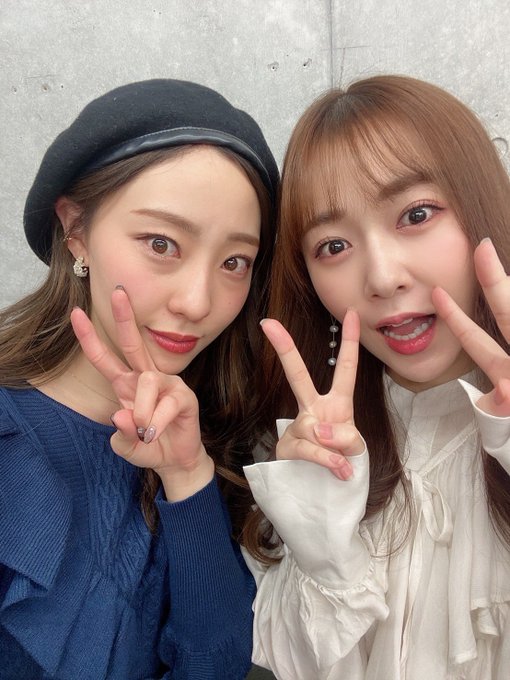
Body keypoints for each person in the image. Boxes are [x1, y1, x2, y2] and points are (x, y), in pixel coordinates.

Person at [0, 78, 279, 679]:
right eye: (161, 243)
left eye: (234, 262)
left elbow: (215, 668)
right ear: (76, 230)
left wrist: (187, 477)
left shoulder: (216, 439)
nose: (197, 302)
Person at [241, 75, 510, 679]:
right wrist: (321, 531)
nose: (383, 277)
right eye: (333, 246)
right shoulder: (310, 450)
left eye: (416, 214)